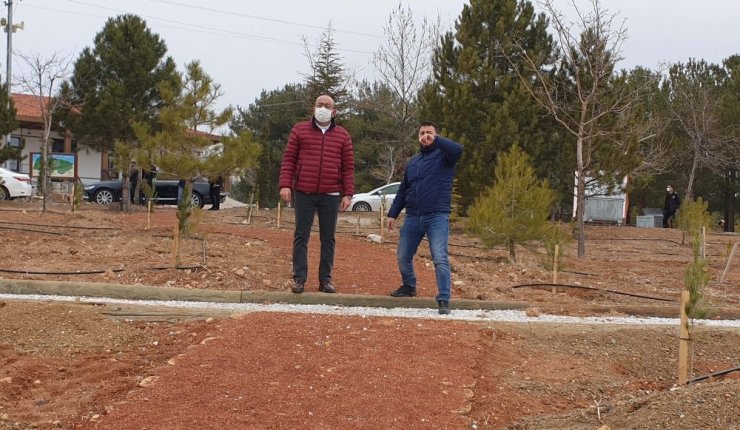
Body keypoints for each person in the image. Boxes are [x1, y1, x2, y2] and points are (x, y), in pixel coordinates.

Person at [279, 94, 354, 294]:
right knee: (301, 236)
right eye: (320, 105)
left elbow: (348, 168)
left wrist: (348, 194)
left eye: (327, 105)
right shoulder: (299, 130)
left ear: (334, 111)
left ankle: (325, 280)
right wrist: (285, 185)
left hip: (331, 194)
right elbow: (289, 160)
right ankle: (299, 278)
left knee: (328, 239)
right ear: (313, 109)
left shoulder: (343, 135)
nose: (323, 108)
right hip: (304, 192)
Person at [386, 121, 463, 315]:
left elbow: (458, 149)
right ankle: (409, 286)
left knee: (439, 258)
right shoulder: (413, 162)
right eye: (422, 133)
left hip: (437, 216)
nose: (425, 136)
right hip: (413, 217)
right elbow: (403, 190)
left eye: (429, 133)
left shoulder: (445, 157)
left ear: (436, 136)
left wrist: (437, 141)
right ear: (418, 137)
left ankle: (444, 299)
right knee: (403, 256)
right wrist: (393, 214)